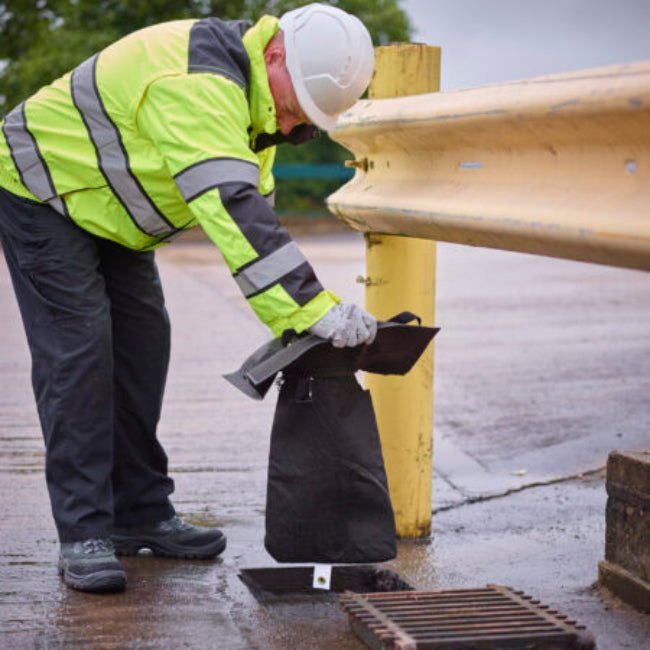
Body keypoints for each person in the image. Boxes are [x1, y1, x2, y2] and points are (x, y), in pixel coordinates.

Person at [0, 2, 377, 593]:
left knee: (144, 348)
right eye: (294, 103)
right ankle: (84, 533)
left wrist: (296, 320)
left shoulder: (259, 106)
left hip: (110, 213)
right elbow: (232, 208)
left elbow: (259, 219)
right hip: (41, 188)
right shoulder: (199, 84)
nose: (291, 121)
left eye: (306, 118)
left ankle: (140, 513)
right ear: (275, 51)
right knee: (80, 355)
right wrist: (313, 308)